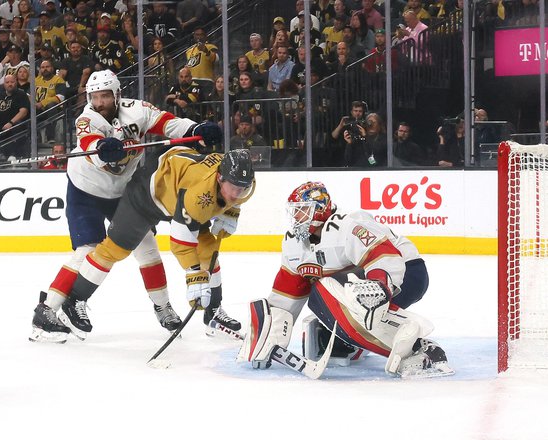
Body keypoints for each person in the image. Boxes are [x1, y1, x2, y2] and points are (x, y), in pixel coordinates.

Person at [29, 69, 241, 343]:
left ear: (117, 94)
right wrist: (104, 148)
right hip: (86, 192)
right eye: (94, 96)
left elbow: (168, 123)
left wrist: (195, 129)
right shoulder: (87, 118)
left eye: (105, 95)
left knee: (147, 246)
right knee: (88, 250)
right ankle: (47, 311)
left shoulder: (137, 110)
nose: (99, 101)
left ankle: (162, 306)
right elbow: (88, 143)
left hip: (122, 193)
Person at [237, 181, 454, 378]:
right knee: (319, 294)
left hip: (406, 272)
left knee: (326, 289)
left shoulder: (348, 225)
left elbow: (384, 256)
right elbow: (288, 293)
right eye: (294, 213)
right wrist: (269, 336)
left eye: (302, 212)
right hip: (366, 280)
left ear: (319, 210)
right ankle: (348, 341)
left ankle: (420, 349)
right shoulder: (294, 244)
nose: (296, 219)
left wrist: (378, 286)